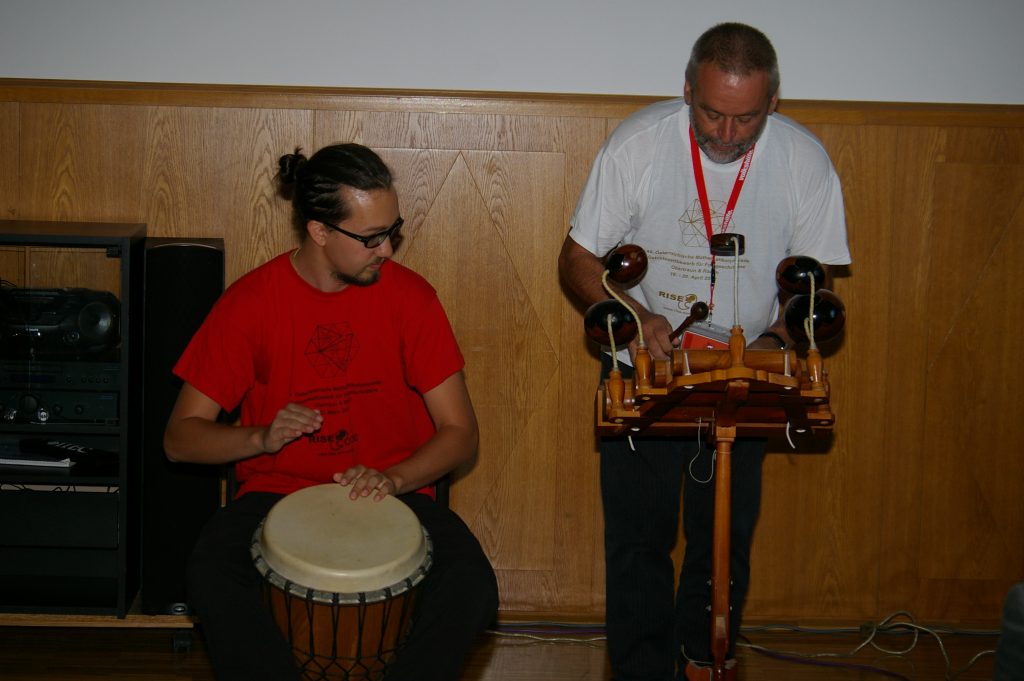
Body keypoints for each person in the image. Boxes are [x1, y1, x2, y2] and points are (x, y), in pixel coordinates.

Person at [558, 22, 851, 681]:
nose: (725, 134)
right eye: (711, 113)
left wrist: (780, 334)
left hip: (743, 373)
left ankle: (703, 659)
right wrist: (633, 321)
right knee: (639, 539)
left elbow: (811, 278)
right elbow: (577, 258)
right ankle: (639, 670)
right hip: (646, 364)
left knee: (723, 540)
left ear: (773, 102)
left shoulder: (804, 160)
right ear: (686, 90)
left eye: (745, 118)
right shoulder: (638, 144)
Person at [163, 142, 498, 681]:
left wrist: (393, 478)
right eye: (370, 238)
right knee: (211, 574)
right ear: (319, 231)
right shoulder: (250, 304)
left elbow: (460, 433)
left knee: (471, 587)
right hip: (276, 495)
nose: (387, 249)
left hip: (396, 492)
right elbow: (180, 438)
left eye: (393, 230)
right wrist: (261, 439)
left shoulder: (412, 299)